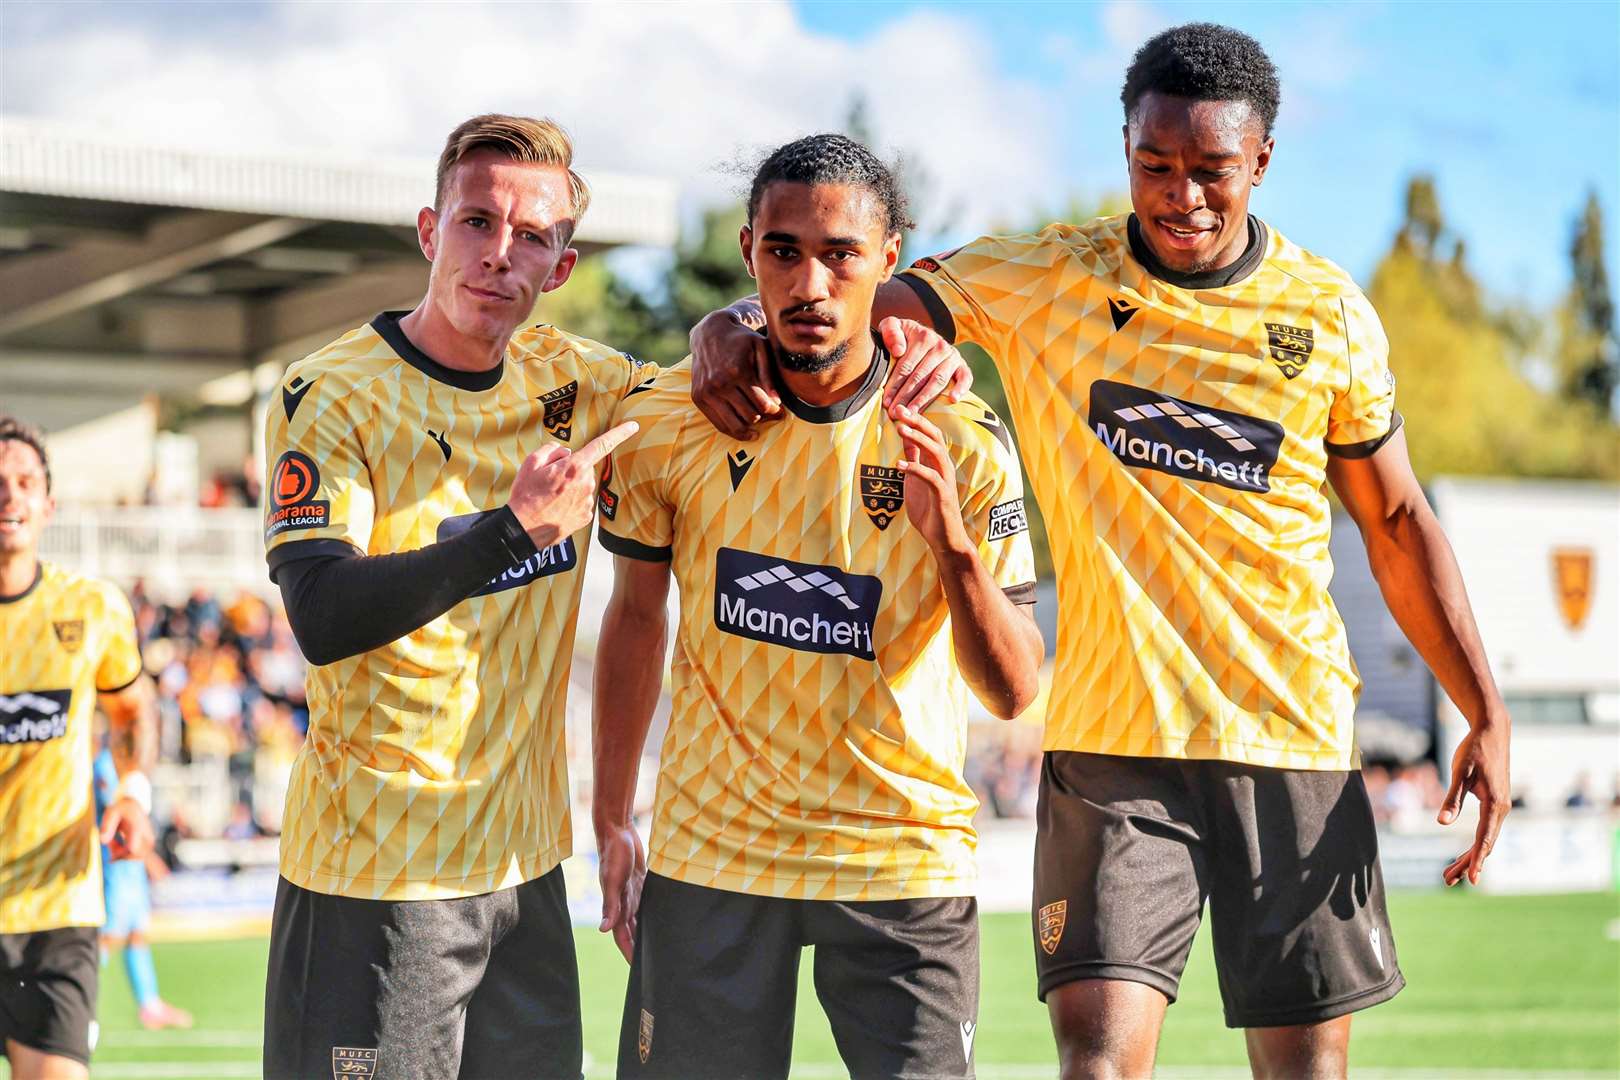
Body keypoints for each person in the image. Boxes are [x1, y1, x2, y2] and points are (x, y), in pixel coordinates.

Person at [690, 24, 1512, 1079]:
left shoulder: (1327, 315)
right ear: (1126, 144)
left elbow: (1397, 524)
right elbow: (837, 305)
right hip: (1113, 746)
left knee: (1305, 1071)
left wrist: (1483, 708)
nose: (1183, 197)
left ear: (1260, 160)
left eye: (1212, 171)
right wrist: (731, 318)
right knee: (1097, 1065)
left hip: (1292, 735)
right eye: (1155, 166)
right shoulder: (1046, 275)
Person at [593, 133, 1045, 1080]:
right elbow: (637, 618)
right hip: (715, 857)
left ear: (888, 260)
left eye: (840, 254)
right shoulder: (672, 417)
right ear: (750, 249)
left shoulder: (960, 441)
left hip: (899, 860)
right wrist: (611, 817)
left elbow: (1012, 691)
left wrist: (955, 550)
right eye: (784, 251)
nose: (810, 284)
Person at [256, 114, 643, 1080]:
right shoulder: (330, 393)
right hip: (378, 873)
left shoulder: (584, 383)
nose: (499, 255)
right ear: (430, 231)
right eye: (477, 223)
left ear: (560, 266)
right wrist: (512, 532)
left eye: (533, 238)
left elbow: (719, 382)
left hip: (525, 871)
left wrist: (735, 326)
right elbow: (322, 615)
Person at [0, 415, 159, 1080]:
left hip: (55, 908)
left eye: (24, 482)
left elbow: (131, 710)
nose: (9, 495)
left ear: (46, 503)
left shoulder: (91, 608)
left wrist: (132, 794)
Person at [92, 747, 193, 1031]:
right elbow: (121, 820)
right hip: (118, 862)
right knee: (108, 937)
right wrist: (151, 860)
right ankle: (77, 995)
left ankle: (149, 1005)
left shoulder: (128, 766)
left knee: (137, 934)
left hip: (132, 868)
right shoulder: (106, 764)